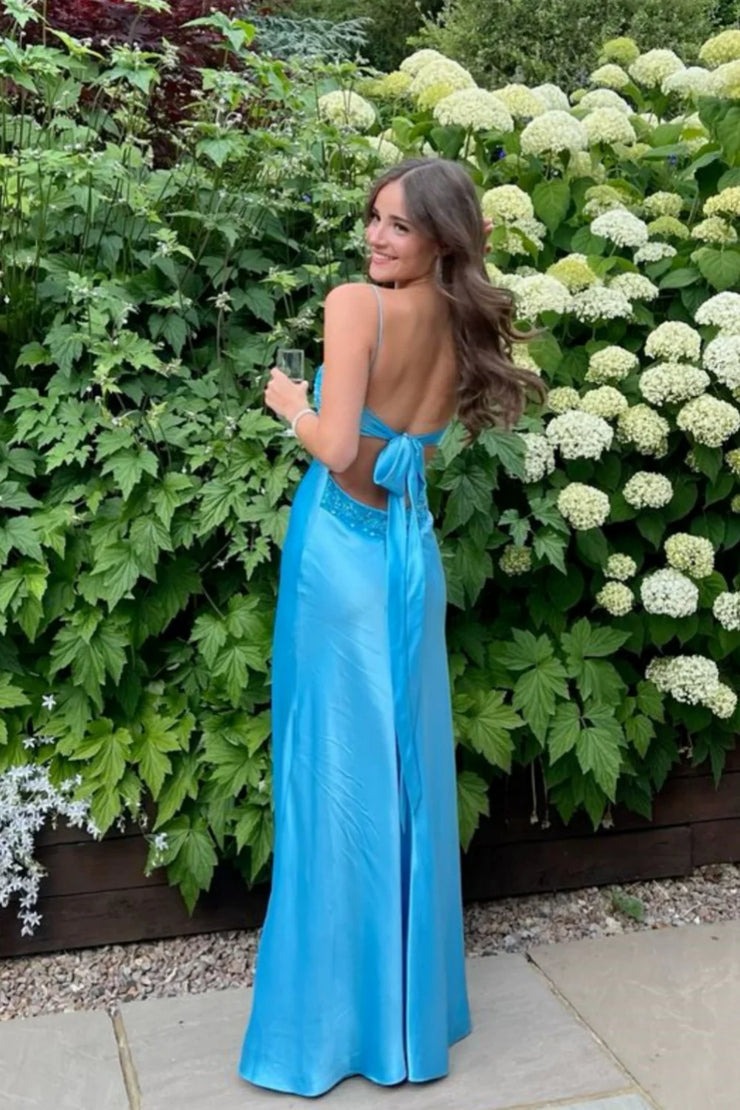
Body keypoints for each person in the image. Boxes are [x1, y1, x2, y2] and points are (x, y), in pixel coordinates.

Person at [238, 157, 544, 1098]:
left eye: (399, 225)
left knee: (331, 780)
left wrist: (293, 405)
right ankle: (407, 1020)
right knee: (402, 778)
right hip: (409, 556)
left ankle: (328, 1031)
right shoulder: (458, 321)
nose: (376, 236)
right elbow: (413, 446)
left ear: (441, 239)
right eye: (373, 218)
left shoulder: (354, 306)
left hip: (340, 556)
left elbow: (338, 450)